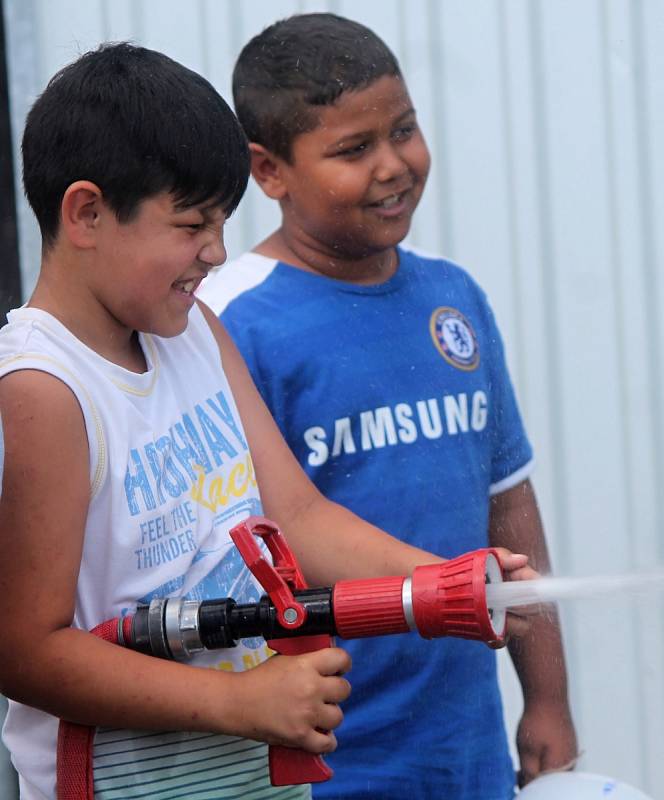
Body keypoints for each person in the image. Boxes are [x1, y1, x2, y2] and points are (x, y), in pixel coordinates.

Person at [0, 42, 536, 800]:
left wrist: (439, 581)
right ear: (86, 212)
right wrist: (237, 702)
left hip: (250, 777)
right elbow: (26, 651)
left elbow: (297, 514)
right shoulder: (44, 389)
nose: (216, 252)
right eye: (190, 225)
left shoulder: (194, 334)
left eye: (222, 222)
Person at [197, 12, 578, 800]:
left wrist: (546, 699)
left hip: (461, 749)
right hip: (322, 761)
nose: (392, 165)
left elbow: (506, 502)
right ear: (268, 170)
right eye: (352, 149)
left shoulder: (453, 299)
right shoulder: (229, 323)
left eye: (403, 130)